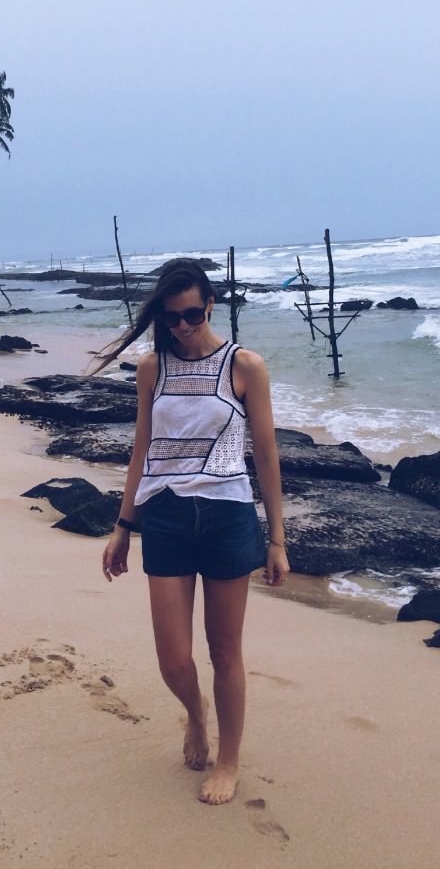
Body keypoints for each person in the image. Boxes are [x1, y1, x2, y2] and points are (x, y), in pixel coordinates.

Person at [96, 258, 290, 805]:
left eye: (189, 314)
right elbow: (143, 448)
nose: (180, 326)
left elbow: (268, 455)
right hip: (167, 516)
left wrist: (277, 538)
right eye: (169, 317)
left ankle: (228, 761)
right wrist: (122, 526)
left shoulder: (244, 366)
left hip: (228, 515)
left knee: (225, 650)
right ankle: (194, 713)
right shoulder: (151, 368)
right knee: (174, 659)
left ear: (209, 304)